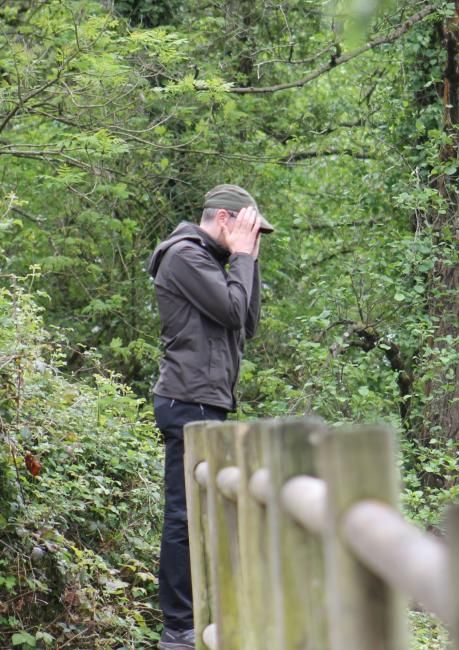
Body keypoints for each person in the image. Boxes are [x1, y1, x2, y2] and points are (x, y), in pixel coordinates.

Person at [146, 185, 274, 650]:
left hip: (206, 400)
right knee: (183, 514)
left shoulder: (215, 263)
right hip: (188, 400)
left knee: (209, 511)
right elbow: (233, 310)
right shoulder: (185, 256)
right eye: (249, 229)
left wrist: (248, 260)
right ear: (225, 219)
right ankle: (178, 625)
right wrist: (240, 258)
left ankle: (204, 614)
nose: (254, 239)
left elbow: (247, 321)